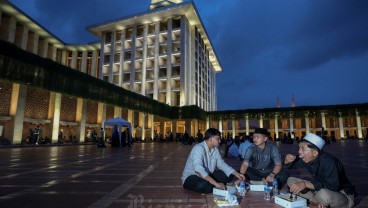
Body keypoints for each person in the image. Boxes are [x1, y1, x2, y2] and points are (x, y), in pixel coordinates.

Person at [284, 133, 355, 208]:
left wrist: (305, 184)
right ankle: (316, 202)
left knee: (323, 193)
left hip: (341, 194)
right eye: (299, 148)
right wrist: (287, 161)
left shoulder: (329, 162)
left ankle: (313, 202)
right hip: (319, 191)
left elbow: (333, 186)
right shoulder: (307, 158)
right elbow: (290, 166)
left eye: (303, 149)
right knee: (291, 180)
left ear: (315, 153)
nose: (299, 152)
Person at [182, 128, 245, 193]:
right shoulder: (198, 148)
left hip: (207, 175)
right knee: (204, 186)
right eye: (217, 139)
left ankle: (214, 184)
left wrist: (236, 174)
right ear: (210, 139)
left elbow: (221, 164)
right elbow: (199, 170)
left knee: (228, 175)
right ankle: (215, 185)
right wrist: (216, 184)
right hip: (192, 176)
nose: (220, 141)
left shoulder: (214, 149)